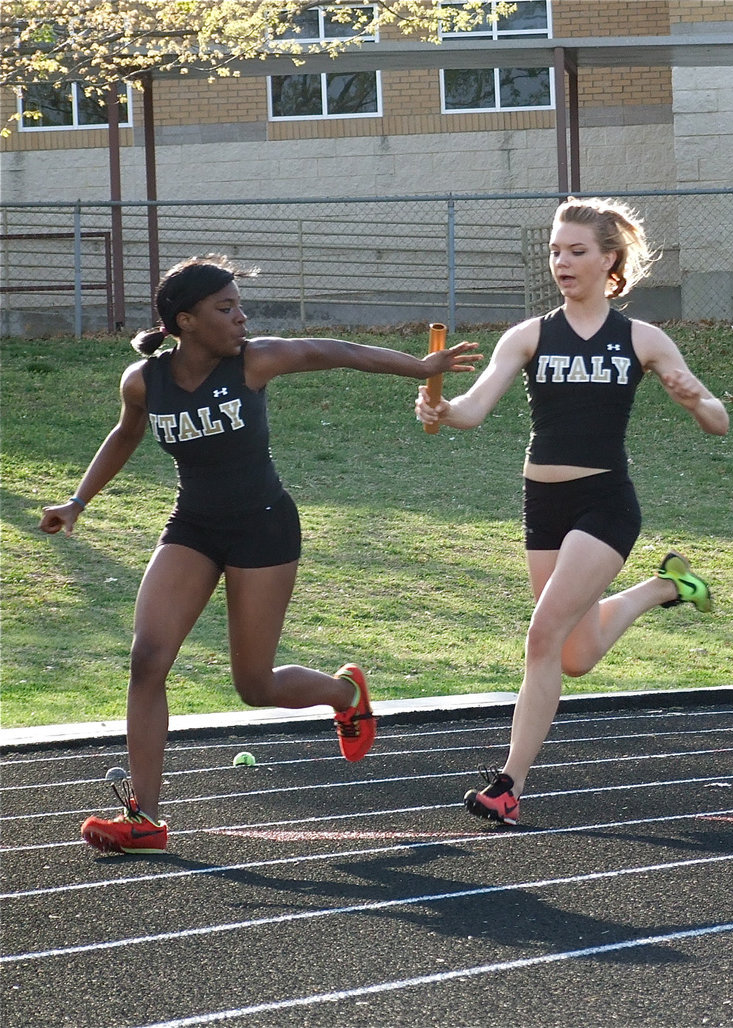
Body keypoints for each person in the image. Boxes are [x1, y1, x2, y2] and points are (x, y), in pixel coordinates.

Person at [39, 254, 481, 854]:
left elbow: (337, 351)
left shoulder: (254, 362)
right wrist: (77, 501)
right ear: (185, 321)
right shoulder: (143, 381)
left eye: (239, 306)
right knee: (147, 661)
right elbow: (126, 434)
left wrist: (420, 367)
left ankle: (346, 695)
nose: (242, 317)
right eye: (226, 309)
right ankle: (144, 817)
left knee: (254, 685)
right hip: (192, 526)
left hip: (263, 529)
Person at [415, 197, 729, 825]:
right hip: (543, 504)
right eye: (555, 250)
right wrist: (441, 411)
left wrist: (695, 399)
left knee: (541, 635)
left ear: (610, 260)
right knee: (574, 655)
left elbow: (719, 423)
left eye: (576, 251)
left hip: (604, 503)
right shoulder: (528, 335)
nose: (561, 261)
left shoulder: (643, 339)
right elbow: (473, 409)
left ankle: (508, 784)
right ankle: (667, 586)